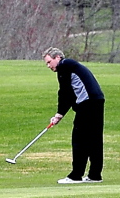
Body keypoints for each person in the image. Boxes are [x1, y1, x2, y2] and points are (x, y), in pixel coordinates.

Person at [43, 47, 105, 184]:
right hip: (96, 102)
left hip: (88, 104)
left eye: (49, 62)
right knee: (94, 140)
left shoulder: (65, 66)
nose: (48, 66)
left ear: (58, 57)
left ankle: (76, 175)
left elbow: (65, 92)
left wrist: (59, 114)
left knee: (79, 139)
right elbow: (70, 95)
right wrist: (60, 115)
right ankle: (95, 175)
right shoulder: (71, 67)